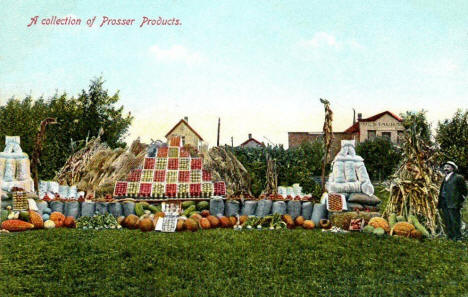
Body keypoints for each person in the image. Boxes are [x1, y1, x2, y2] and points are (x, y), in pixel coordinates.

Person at [438, 161, 467, 240]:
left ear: (453, 168)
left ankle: (458, 237)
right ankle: (450, 236)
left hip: (453, 202)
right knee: (447, 219)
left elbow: (464, 191)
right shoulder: (445, 178)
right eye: (445, 167)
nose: (446, 168)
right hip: (444, 202)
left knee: (455, 220)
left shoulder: (458, 177)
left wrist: (459, 201)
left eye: (448, 167)